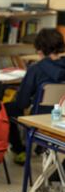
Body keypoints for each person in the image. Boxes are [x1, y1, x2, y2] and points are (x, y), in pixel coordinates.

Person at [6, 28, 65, 164]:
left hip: (40, 121)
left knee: (8, 109)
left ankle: (19, 149)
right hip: (61, 119)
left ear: (39, 50)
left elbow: (22, 103)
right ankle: (40, 148)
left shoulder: (35, 69)